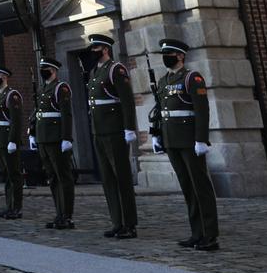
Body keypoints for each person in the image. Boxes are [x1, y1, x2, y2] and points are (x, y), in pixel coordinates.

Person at [154, 38, 219, 251]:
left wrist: (201, 139)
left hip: (189, 140)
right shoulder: (163, 81)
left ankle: (209, 234)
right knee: (187, 187)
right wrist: (157, 135)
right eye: (165, 54)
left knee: (200, 186)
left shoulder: (192, 78)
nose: (166, 57)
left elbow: (202, 110)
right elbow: (160, 111)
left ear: (180, 56)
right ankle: (196, 232)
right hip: (172, 140)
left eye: (170, 54)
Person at [85, 33, 138, 239]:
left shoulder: (116, 69)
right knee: (107, 179)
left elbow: (127, 101)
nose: (93, 51)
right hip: (99, 131)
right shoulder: (94, 72)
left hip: (114, 131)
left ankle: (129, 224)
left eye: (96, 48)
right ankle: (117, 221)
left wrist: (129, 128)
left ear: (105, 49)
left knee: (121, 177)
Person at [32, 57, 75, 230]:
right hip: (43, 138)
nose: (43, 71)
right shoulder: (43, 89)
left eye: (46, 68)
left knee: (63, 176)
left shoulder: (60, 87)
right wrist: (34, 134)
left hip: (56, 138)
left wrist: (66, 138)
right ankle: (59, 213)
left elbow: (66, 114)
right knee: (52, 177)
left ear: (54, 70)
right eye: (42, 68)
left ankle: (67, 216)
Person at [0, 66, 24, 220]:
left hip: (8, 140)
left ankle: (17, 208)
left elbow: (16, 121)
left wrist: (13, 141)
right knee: (7, 175)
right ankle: (9, 205)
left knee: (14, 174)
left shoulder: (12, 95)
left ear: (4, 76)